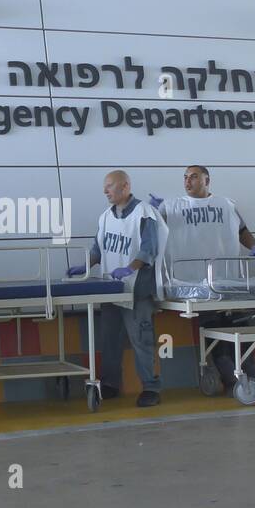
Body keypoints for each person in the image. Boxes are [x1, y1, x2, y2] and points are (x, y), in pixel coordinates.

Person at [148, 165, 255, 395]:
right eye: (185, 177)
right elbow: (153, 229)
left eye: (194, 177)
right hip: (195, 284)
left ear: (207, 180)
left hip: (228, 280)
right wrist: (153, 212)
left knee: (241, 330)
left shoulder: (226, 205)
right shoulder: (172, 206)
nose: (187, 181)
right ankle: (231, 380)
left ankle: (254, 376)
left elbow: (242, 230)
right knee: (213, 331)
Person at [69, 169, 168, 407]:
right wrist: (85, 266)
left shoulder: (144, 213)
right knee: (109, 340)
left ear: (125, 187)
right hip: (111, 289)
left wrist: (130, 268)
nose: (105, 191)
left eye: (110, 186)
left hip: (137, 290)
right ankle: (111, 384)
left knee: (141, 340)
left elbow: (149, 249)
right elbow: (97, 249)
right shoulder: (105, 217)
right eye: (105, 187)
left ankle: (151, 388)